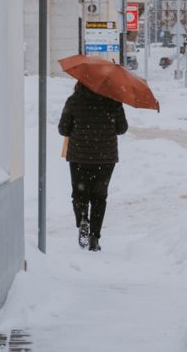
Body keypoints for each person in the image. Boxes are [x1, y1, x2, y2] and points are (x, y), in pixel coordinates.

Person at [58, 82, 128, 251]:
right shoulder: (113, 101)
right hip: (105, 158)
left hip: (79, 157)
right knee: (99, 197)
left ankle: (83, 220)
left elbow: (63, 129)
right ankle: (94, 237)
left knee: (79, 194)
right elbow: (122, 128)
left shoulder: (74, 100)